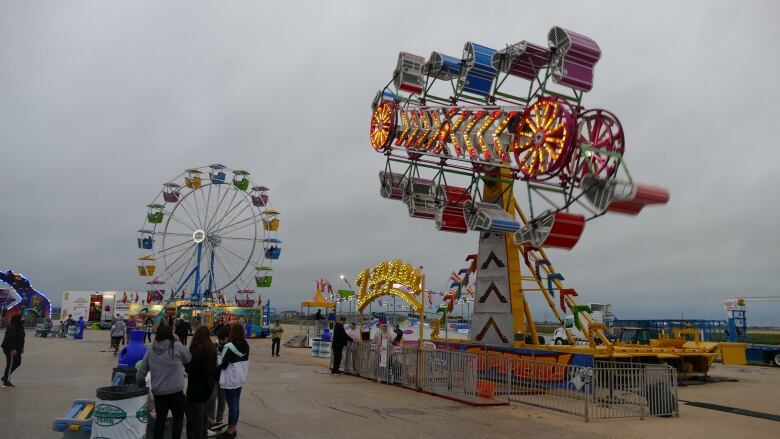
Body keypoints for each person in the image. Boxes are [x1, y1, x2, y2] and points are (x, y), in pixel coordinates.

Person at [136, 324, 191, 439]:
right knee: (178, 419)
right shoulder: (177, 346)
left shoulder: (150, 350)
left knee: (160, 420)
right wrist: (177, 341)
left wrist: (140, 383)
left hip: (159, 393)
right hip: (176, 391)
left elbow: (142, 371)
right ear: (171, 334)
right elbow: (188, 359)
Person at [218, 324, 249, 438]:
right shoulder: (246, 345)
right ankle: (233, 428)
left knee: (232, 405)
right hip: (240, 378)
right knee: (236, 404)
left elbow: (222, 364)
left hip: (230, 379)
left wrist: (217, 357)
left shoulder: (229, 346)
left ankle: (230, 431)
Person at [185, 326, 217, 439]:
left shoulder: (197, 350)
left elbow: (190, 369)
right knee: (203, 417)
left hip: (195, 390)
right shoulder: (212, 349)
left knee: (194, 420)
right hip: (207, 389)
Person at [207, 325, 229, 436]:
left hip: (224, 379)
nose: (227, 340)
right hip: (214, 378)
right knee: (212, 399)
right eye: (226, 338)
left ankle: (219, 420)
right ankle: (211, 421)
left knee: (222, 399)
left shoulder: (229, 347)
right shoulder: (212, 346)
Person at [2, 315, 25, 387]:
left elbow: (20, 338)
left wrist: (21, 347)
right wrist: (12, 349)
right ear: (17, 319)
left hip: (17, 348)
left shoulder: (20, 327)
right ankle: (6, 381)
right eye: (22, 318)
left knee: (18, 362)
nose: (23, 319)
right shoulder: (13, 327)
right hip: (10, 348)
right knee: (10, 364)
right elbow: (10, 339)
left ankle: (5, 376)